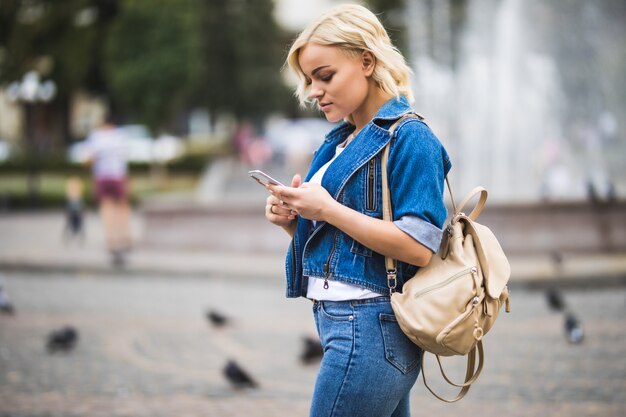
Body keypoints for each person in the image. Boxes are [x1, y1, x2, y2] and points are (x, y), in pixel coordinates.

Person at [263, 5, 451, 417]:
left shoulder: (410, 136)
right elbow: (345, 250)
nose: (314, 91)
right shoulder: (338, 141)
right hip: (340, 322)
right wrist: (295, 222)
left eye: (325, 76)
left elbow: (419, 247)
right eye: (310, 79)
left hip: (369, 326)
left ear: (367, 61)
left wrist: (327, 210)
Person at [84, 114, 132, 267]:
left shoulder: (96, 137)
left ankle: (110, 240)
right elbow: (123, 159)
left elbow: (90, 159)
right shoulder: (120, 136)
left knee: (106, 207)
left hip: (102, 176)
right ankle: (124, 237)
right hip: (118, 175)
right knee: (122, 207)